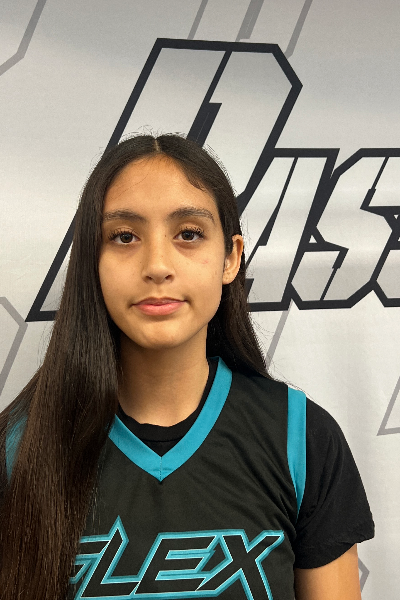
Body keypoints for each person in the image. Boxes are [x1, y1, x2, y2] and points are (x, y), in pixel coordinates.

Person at [0, 133, 374, 600]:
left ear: (231, 258)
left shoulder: (300, 438)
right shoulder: (18, 448)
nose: (157, 265)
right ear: (92, 262)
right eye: (124, 236)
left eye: (189, 234)